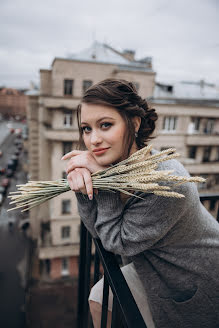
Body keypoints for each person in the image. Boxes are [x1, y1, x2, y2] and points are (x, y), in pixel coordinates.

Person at [62, 78, 219, 328]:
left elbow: (116, 243)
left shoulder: (166, 180)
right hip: (154, 265)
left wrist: (103, 179)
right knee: (98, 297)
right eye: (86, 128)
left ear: (133, 123)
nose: (93, 140)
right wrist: (84, 186)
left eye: (105, 125)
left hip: (196, 279)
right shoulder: (120, 168)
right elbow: (100, 231)